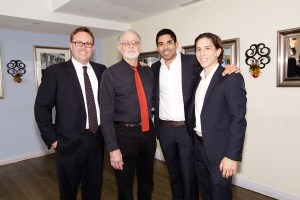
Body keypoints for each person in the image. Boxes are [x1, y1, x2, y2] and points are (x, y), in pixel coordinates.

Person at [151, 28, 239, 200]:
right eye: (161, 44)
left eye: (169, 42)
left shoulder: (193, 62)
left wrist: (230, 67)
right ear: (158, 48)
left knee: (190, 176)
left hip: (186, 130)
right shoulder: (153, 69)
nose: (165, 47)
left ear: (176, 44)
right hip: (164, 129)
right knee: (174, 175)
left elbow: (213, 69)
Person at [34, 26, 106, 200]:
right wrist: (53, 139)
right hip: (68, 143)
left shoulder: (102, 70)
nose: (84, 46)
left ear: (93, 47)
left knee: (94, 188)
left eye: (88, 43)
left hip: (97, 140)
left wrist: (138, 67)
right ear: (71, 45)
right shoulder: (55, 72)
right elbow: (41, 108)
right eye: (79, 42)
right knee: (68, 192)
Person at [189, 32, 247, 200]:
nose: (202, 53)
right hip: (199, 147)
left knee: (220, 195)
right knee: (206, 193)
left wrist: (231, 156)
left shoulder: (231, 78)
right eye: (198, 49)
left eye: (207, 48)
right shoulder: (197, 79)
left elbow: (238, 120)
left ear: (218, 51)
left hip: (221, 152)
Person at [100, 29, 156, 200]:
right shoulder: (110, 74)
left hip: (148, 133)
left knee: (147, 180)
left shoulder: (148, 72)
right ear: (119, 47)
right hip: (123, 135)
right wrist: (113, 148)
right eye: (126, 42)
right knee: (125, 184)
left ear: (140, 46)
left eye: (135, 42)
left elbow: (152, 100)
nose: (131, 46)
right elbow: (105, 114)